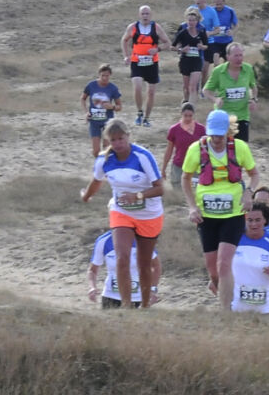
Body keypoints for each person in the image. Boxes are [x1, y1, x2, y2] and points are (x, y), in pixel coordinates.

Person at [79, 118, 164, 309]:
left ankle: (144, 306)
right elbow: (96, 181)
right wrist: (87, 196)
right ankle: (126, 307)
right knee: (122, 257)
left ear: (128, 136)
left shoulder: (142, 156)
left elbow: (160, 189)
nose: (117, 143)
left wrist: (138, 196)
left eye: (121, 138)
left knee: (143, 263)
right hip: (121, 211)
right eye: (113, 139)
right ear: (107, 140)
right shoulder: (104, 160)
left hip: (149, 214)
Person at [182, 109, 260, 309]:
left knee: (224, 263)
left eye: (220, 134)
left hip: (233, 214)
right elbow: (185, 178)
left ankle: (226, 312)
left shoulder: (240, 147)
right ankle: (224, 293)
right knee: (213, 269)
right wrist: (192, 207)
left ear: (228, 131)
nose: (216, 139)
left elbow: (254, 174)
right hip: (206, 216)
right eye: (213, 134)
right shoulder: (195, 149)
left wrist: (248, 192)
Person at [230, 202, 269, 314]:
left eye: (258, 220)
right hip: (237, 306)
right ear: (244, 220)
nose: (254, 224)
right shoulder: (235, 239)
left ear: (265, 221)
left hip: (266, 307)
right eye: (250, 220)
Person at [88, 228, 161, 308]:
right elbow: (93, 270)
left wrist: (152, 290)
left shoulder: (142, 239)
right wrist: (92, 288)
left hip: (139, 299)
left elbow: (156, 267)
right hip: (111, 298)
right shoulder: (104, 240)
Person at [121, 5, 166, 127]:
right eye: (143, 14)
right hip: (137, 61)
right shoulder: (132, 27)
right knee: (137, 87)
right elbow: (124, 40)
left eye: (147, 14)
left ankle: (146, 118)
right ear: (139, 15)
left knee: (151, 92)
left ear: (150, 15)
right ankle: (139, 112)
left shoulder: (156, 27)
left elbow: (167, 42)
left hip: (152, 63)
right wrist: (126, 56)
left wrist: (158, 49)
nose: (145, 16)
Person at [203, 43, 258, 141]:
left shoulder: (248, 69)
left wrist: (253, 99)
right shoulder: (218, 71)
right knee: (225, 148)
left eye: (241, 55)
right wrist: (215, 99)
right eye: (236, 56)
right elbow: (206, 90)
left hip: (242, 115)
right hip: (224, 116)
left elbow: (253, 87)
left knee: (241, 148)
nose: (239, 59)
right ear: (228, 57)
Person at [81, 63, 123, 157]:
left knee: (107, 148)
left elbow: (119, 106)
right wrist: (86, 112)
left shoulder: (113, 88)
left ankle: (106, 168)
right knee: (96, 151)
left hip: (108, 122)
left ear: (110, 75)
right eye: (102, 75)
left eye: (107, 76)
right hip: (94, 121)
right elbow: (83, 98)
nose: (104, 78)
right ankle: (98, 167)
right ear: (99, 75)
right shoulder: (91, 85)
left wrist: (112, 107)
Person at [162, 102, 206, 187]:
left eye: (190, 116)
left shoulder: (201, 129)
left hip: (195, 166)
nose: (188, 118)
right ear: (181, 114)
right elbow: (169, 150)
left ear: (194, 115)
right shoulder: (174, 130)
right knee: (178, 192)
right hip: (179, 165)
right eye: (185, 115)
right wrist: (163, 168)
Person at [172, 10, 208, 104]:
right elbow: (172, 46)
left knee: (193, 87)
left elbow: (206, 45)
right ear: (186, 21)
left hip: (197, 61)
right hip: (185, 61)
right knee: (186, 87)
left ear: (197, 22)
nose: (191, 22)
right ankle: (186, 102)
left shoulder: (201, 32)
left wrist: (202, 47)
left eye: (193, 20)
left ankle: (192, 107)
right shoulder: (183, 33)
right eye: (189, 20)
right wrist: (181, 50)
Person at [196, 0, 229, 64]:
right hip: (201, 42)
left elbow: (218, 29)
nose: (218, 5)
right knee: (215, 63)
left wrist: (209, 33)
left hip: (220, 41)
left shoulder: (227, 11)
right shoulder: (192, 10)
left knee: (227, 63)